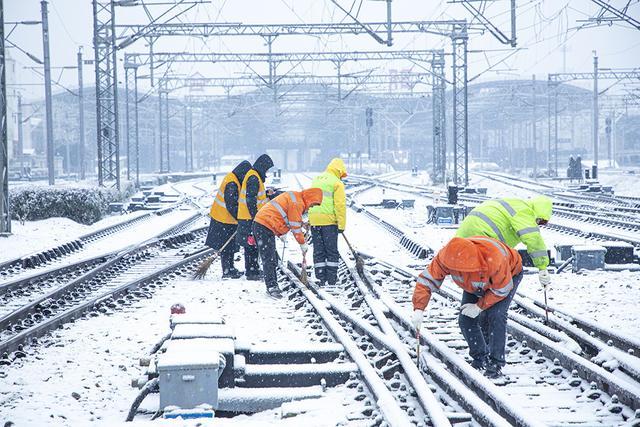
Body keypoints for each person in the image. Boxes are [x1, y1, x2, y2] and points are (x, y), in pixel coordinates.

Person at [411, 236, 523, 379]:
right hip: (475, 284)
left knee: (496, 314)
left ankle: (496, 362)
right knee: (465, 319)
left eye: (466, 270)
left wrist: (479, 306)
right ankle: (480, 358)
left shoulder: (495, 259)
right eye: (457, 271)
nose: (461, 273)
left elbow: (502, 289)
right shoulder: (446, 257)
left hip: (508, 276)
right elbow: (426, 280)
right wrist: (419, 309)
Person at [456, 196, 552, 289]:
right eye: (540, 221)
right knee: (514, 272)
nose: (538, 224)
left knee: (477, 274)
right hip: (484, 237)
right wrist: (542, 267)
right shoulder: (525, 212)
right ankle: (488, 304)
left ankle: (471, 303)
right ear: (536, 212)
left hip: (462, 241)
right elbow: (533, 238)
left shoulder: (514, 204)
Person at [252, 189, 323, 298]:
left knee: (271, 258)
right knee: (269, 258)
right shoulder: (297, 203)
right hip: (264, 225)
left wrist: (302, 224)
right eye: (312, 205)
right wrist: (302, 243)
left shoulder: (297, 198)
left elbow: (290, 217)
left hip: (263, 224)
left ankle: (272, 284)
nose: (310, 208)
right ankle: (272, 287)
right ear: (310, 199)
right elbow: (294, 226)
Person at [205, 161, 252, 278]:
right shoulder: (232, 183)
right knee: (226, 247)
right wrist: (241, 218)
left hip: (225, 218)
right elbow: (231, 205)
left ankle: (230, 268)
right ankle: (227, 271)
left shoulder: (233, 179)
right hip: (223, 219)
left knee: (230, 246)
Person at [309, 158, 347, 287]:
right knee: (331, 251)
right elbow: (340, 205)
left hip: (314, 219)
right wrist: (341, 225)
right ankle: (331, 279)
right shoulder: (337, 183)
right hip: (329, 221)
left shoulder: (317, 179)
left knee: (318, 250)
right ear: (339, 171)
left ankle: (320, 277)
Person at [236, 154, 274, 280]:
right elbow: (250, 199)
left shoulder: (254, 175)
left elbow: (256, 197)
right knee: (250, 245)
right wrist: (255, 216)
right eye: (267, 169)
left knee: (252, 244)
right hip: (249, 217)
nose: (267, 172)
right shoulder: (253, 177)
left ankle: (254, 270)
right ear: (262, 166)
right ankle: (251, 272)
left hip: (250, 216)